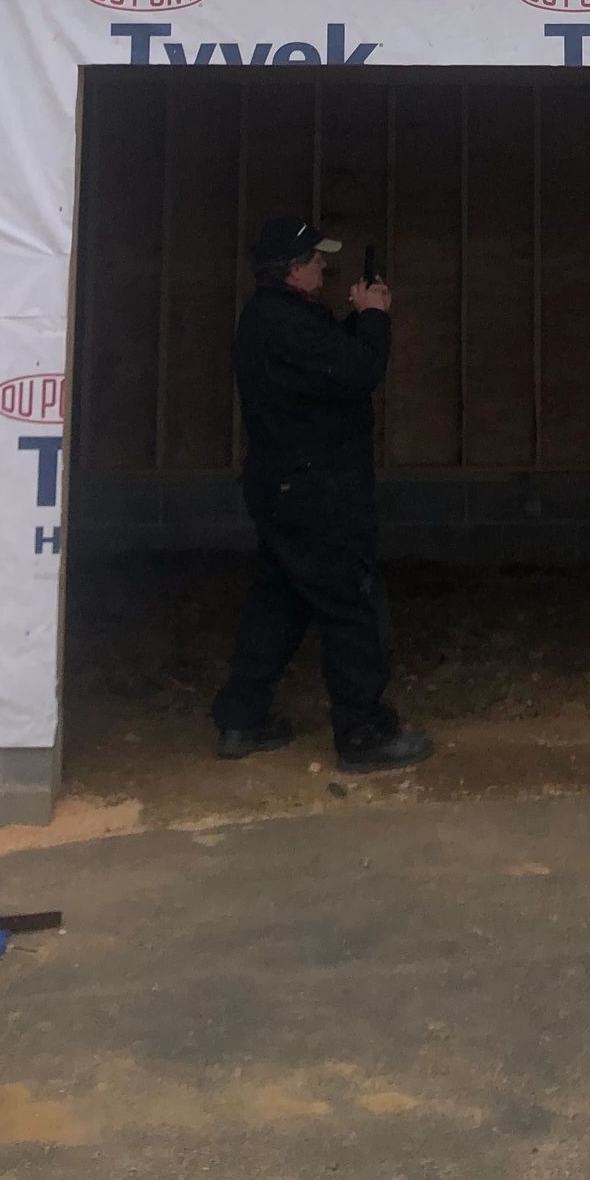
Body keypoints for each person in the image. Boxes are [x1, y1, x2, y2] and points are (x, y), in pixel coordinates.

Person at [210, 214, 435, 774]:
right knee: (350, 603)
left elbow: (333, 371)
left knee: (280, 600)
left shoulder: (277, 320)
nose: (324, 268)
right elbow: (358, 372)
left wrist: (360, 319)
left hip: (285, 485)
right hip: (318, 491)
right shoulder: (287, 325)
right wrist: (376, 319)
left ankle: (243, 718)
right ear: (291, 270)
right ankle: (362, 732)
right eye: (314, 261)